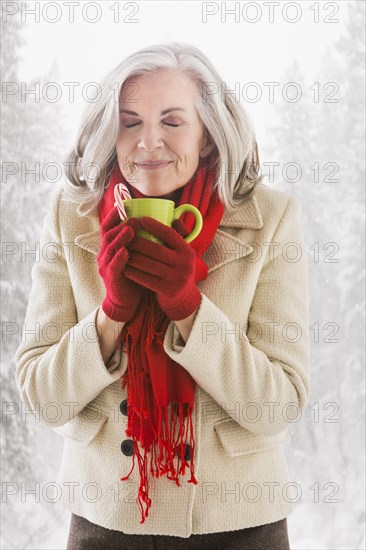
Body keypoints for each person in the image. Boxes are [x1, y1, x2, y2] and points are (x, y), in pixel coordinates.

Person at [14, 42, 310, 549]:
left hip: (240, 526)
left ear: (209, 137)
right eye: (130, 122)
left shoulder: (271, 217)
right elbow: (43, 399)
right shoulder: (71, 215)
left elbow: (279, 405)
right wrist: (110, 317)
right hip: (104, 520)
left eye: (172, 122)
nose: (148, 142)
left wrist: (189, 310)